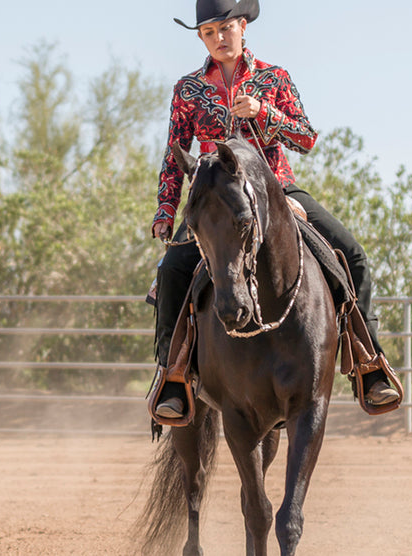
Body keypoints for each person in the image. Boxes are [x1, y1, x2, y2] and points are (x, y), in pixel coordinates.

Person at [150, 0, 399, 420]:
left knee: (350, 253)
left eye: (226, 28)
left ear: (243, 27)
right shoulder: (187, 89)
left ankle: (368, 361)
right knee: (172, 268)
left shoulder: (273, 77)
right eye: (209, 32)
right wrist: (165, 209)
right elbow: (175, 154)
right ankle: (171, 374)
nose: (219, 38)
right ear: (201, 37)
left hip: (277, 191)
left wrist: (265, 112)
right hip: (214, 199)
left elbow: (306, 137)